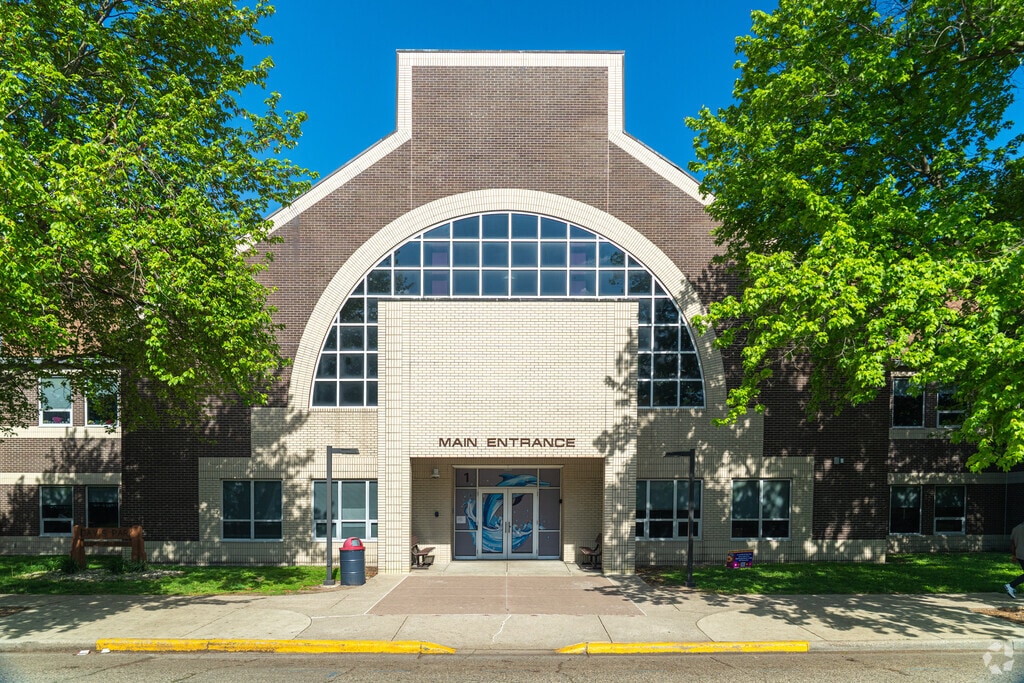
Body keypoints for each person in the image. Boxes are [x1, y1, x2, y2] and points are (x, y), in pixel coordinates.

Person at [1006, 519, 1024, 599]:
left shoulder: (1016, 528)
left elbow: (1012, 543)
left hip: (1019, 554)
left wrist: (1014, 555)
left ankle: (1011, 586)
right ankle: (1011, 585)